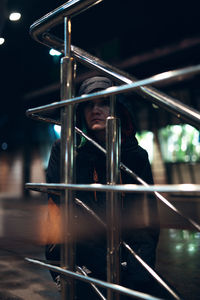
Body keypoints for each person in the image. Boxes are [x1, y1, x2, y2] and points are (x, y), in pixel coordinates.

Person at [45, 76, 160, 299]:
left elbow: (146, 218)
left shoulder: (136, 156)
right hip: (81, 259)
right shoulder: (66, 151)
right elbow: (59, 213)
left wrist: (141, 269)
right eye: (88, 103)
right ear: (80, 110)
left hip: (126, 258)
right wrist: (62, 264)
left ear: (117, 108)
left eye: (103, 102)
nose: (95, 110)